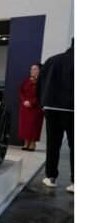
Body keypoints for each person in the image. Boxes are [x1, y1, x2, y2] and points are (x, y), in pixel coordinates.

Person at [38, 39, 74, 192]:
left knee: (53, 143)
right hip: (73, 108)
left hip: (51, 107)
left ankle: (51, 177)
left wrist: (42, 103)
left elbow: (40, 82)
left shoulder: (52, 60)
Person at [18, 64, 44, 152]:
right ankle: (26, 143)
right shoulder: (26, 80)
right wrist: (24, 101)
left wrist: (31, 102)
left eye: (34, 69)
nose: (32, 70)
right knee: (24, 126)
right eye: (31, 69)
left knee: (34, 126)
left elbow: (42, 94)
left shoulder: (43, 81)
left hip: (36, 107)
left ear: (40, 70)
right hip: (25, 106)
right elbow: (20, 91)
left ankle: (33, 143)